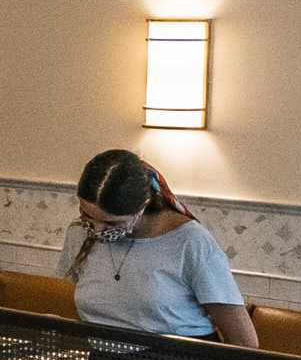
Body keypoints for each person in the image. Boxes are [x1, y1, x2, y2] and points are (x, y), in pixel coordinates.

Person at [66, 149, 258, 348]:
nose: (97, 230)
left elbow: (244, 341)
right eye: (87, 215)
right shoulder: (79, 233)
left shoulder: (190, 241)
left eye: (111, 223)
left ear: (142, 207)